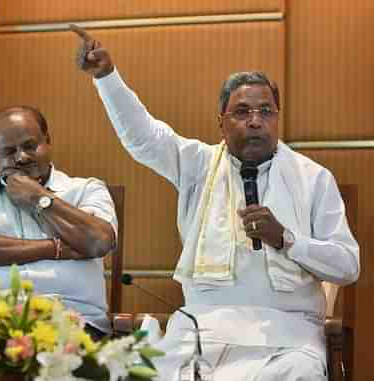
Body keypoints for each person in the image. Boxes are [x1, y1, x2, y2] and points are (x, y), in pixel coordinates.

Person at [72, 25, 359, 380]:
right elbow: (144, 136)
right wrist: (106, 77)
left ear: (277, 119)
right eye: (242, 112)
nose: (255, 121)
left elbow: (348, 266)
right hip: (201, 330)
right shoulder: (198, 165)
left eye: (266, 111)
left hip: (287, 335)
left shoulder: (314, 178)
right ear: (221, 122)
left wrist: (287, 239)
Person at [0, 105, 117, 339]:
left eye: (29, 146)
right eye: (8, 151)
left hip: (73, 320)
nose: (22, 157)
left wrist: (39, 198)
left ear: (47, 140)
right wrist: (55, 248)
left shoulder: (86, 189)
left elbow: (99, 241)